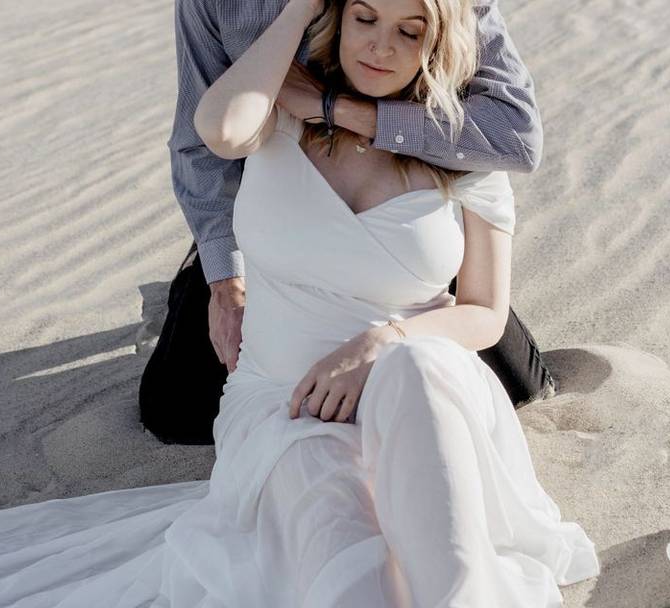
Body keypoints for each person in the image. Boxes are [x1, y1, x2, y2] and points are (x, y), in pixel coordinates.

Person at [0, 0, 600, 608]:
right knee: (317, 527)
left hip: (416, 364)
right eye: (364, 19)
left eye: (409, 31)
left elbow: (484, 297)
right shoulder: (276, 107)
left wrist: (386, 339)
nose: (382, 45)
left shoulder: (462, 147)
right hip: (286, 398)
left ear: (435, 44)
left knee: (431, 369)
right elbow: (213, 133)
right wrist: (300, 14)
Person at [163, 0, 556, 414]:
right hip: (276, 217)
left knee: (513, 390)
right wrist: (225, 277)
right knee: (176, 409)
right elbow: (200, 141)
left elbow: (517, 136)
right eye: (364, 19)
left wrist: (337, 110)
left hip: (410, 211)